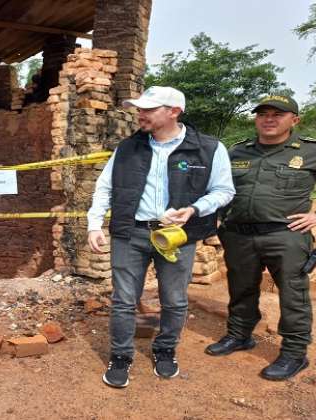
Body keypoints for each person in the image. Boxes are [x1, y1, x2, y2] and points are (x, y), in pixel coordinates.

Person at [205, 95, 316, 380]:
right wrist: (217, 220)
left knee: (293, 297)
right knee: (241, 288)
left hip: (286, 237)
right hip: (239, 235)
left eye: (277, 114)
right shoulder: (237, 152)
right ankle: (239, 335)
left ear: (294, 120)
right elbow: (219, 188)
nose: (268, 119)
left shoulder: (314, 151)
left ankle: (294, 354)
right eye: (262, 114)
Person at [87, 86, 235, 388]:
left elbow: (224, 191)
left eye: (148, 109)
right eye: (139, 108)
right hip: (131, 232)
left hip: (177, 236)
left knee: (175, 300)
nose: (139, 114)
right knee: (124, 300)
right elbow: (105, 187)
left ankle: (166, 349)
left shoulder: (208, 149)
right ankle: (121, 356)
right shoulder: (128, 148)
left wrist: (194, 209)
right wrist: (93, 224)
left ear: (174, 111)